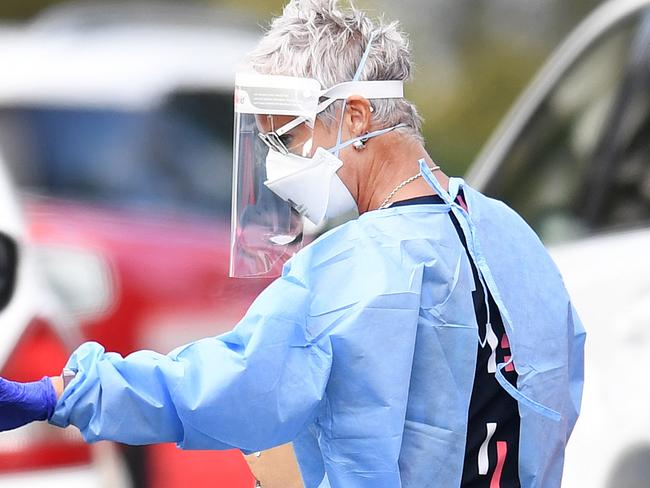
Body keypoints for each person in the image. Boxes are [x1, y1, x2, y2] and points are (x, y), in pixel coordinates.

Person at [0, 1, 585, 486]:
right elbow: (556, 394)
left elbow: (226, 383)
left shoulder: (353, 267)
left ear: (355, 115)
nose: (276, 167)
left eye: (283, 136)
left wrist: (64, 393)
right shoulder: (513, 237)